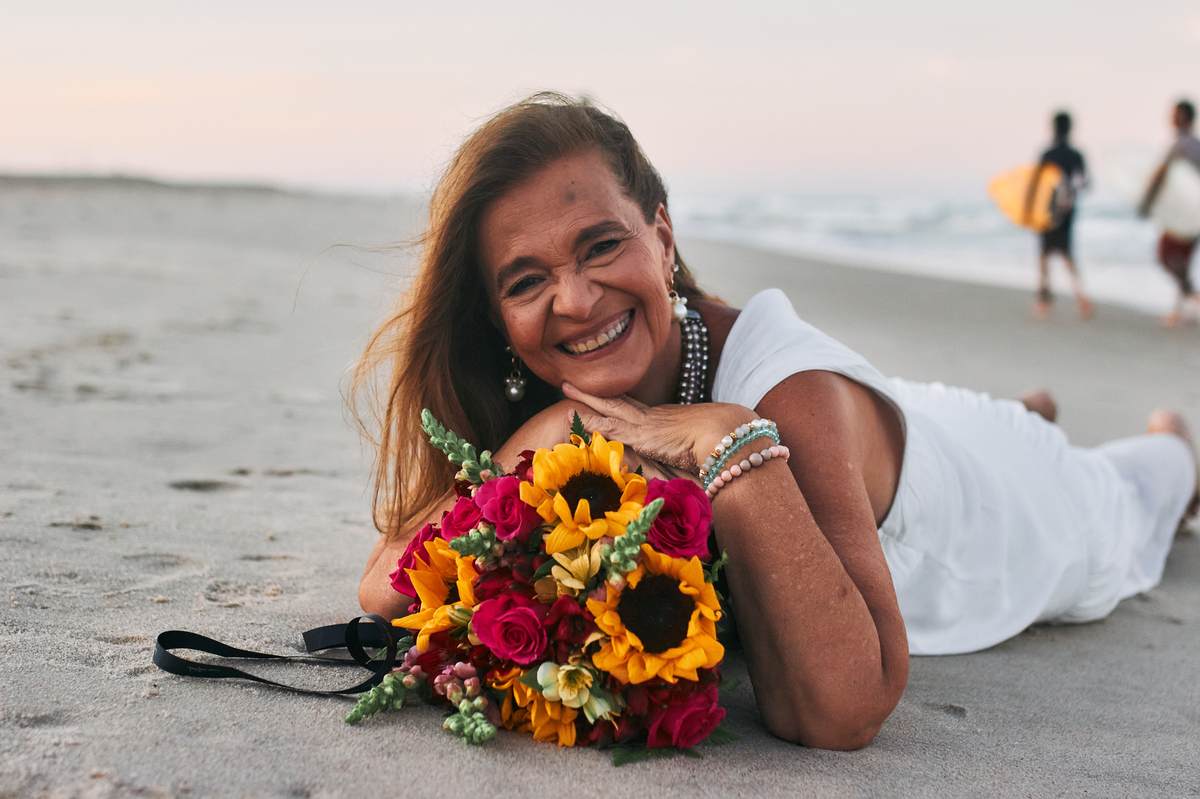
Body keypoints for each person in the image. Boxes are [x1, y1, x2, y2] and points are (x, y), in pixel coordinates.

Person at [354, 94, 1198, 750]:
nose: (574, 299)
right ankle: (1013, 408)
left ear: (662, 234)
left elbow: (841, 711)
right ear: (496, 315)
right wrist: (545, 434)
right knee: (922, 413)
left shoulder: (784, 391)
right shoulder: (572, 396)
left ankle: (1163, 443)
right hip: (887, 437)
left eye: (602, 246)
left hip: (1010, 512)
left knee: (1128, 491)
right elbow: (387, 582)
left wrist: (727, 442)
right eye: (526, 280)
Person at [1024, 111, 1092, 319]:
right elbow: (1086, 183)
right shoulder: (1075, 154)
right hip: (1067, 210)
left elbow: (1035, 185)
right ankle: (1080, 298)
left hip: (1049, 210)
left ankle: (1045, 301)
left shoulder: (1048, 154)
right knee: (1066, 253)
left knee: (1045, 255)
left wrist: (1028, 210)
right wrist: (1071, 192)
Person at [1139, 99, 1200, 327]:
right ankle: (1182, 306)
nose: (1172, 118)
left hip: (1180, 216)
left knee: (1166, 257)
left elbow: (1161, 175)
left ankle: (1190, 296)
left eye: (1176, 114)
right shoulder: (1197, 145)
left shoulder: (1180, 145)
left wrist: (1146, 202)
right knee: (1182, 260)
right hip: (1195, 215)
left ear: (1185, 117)